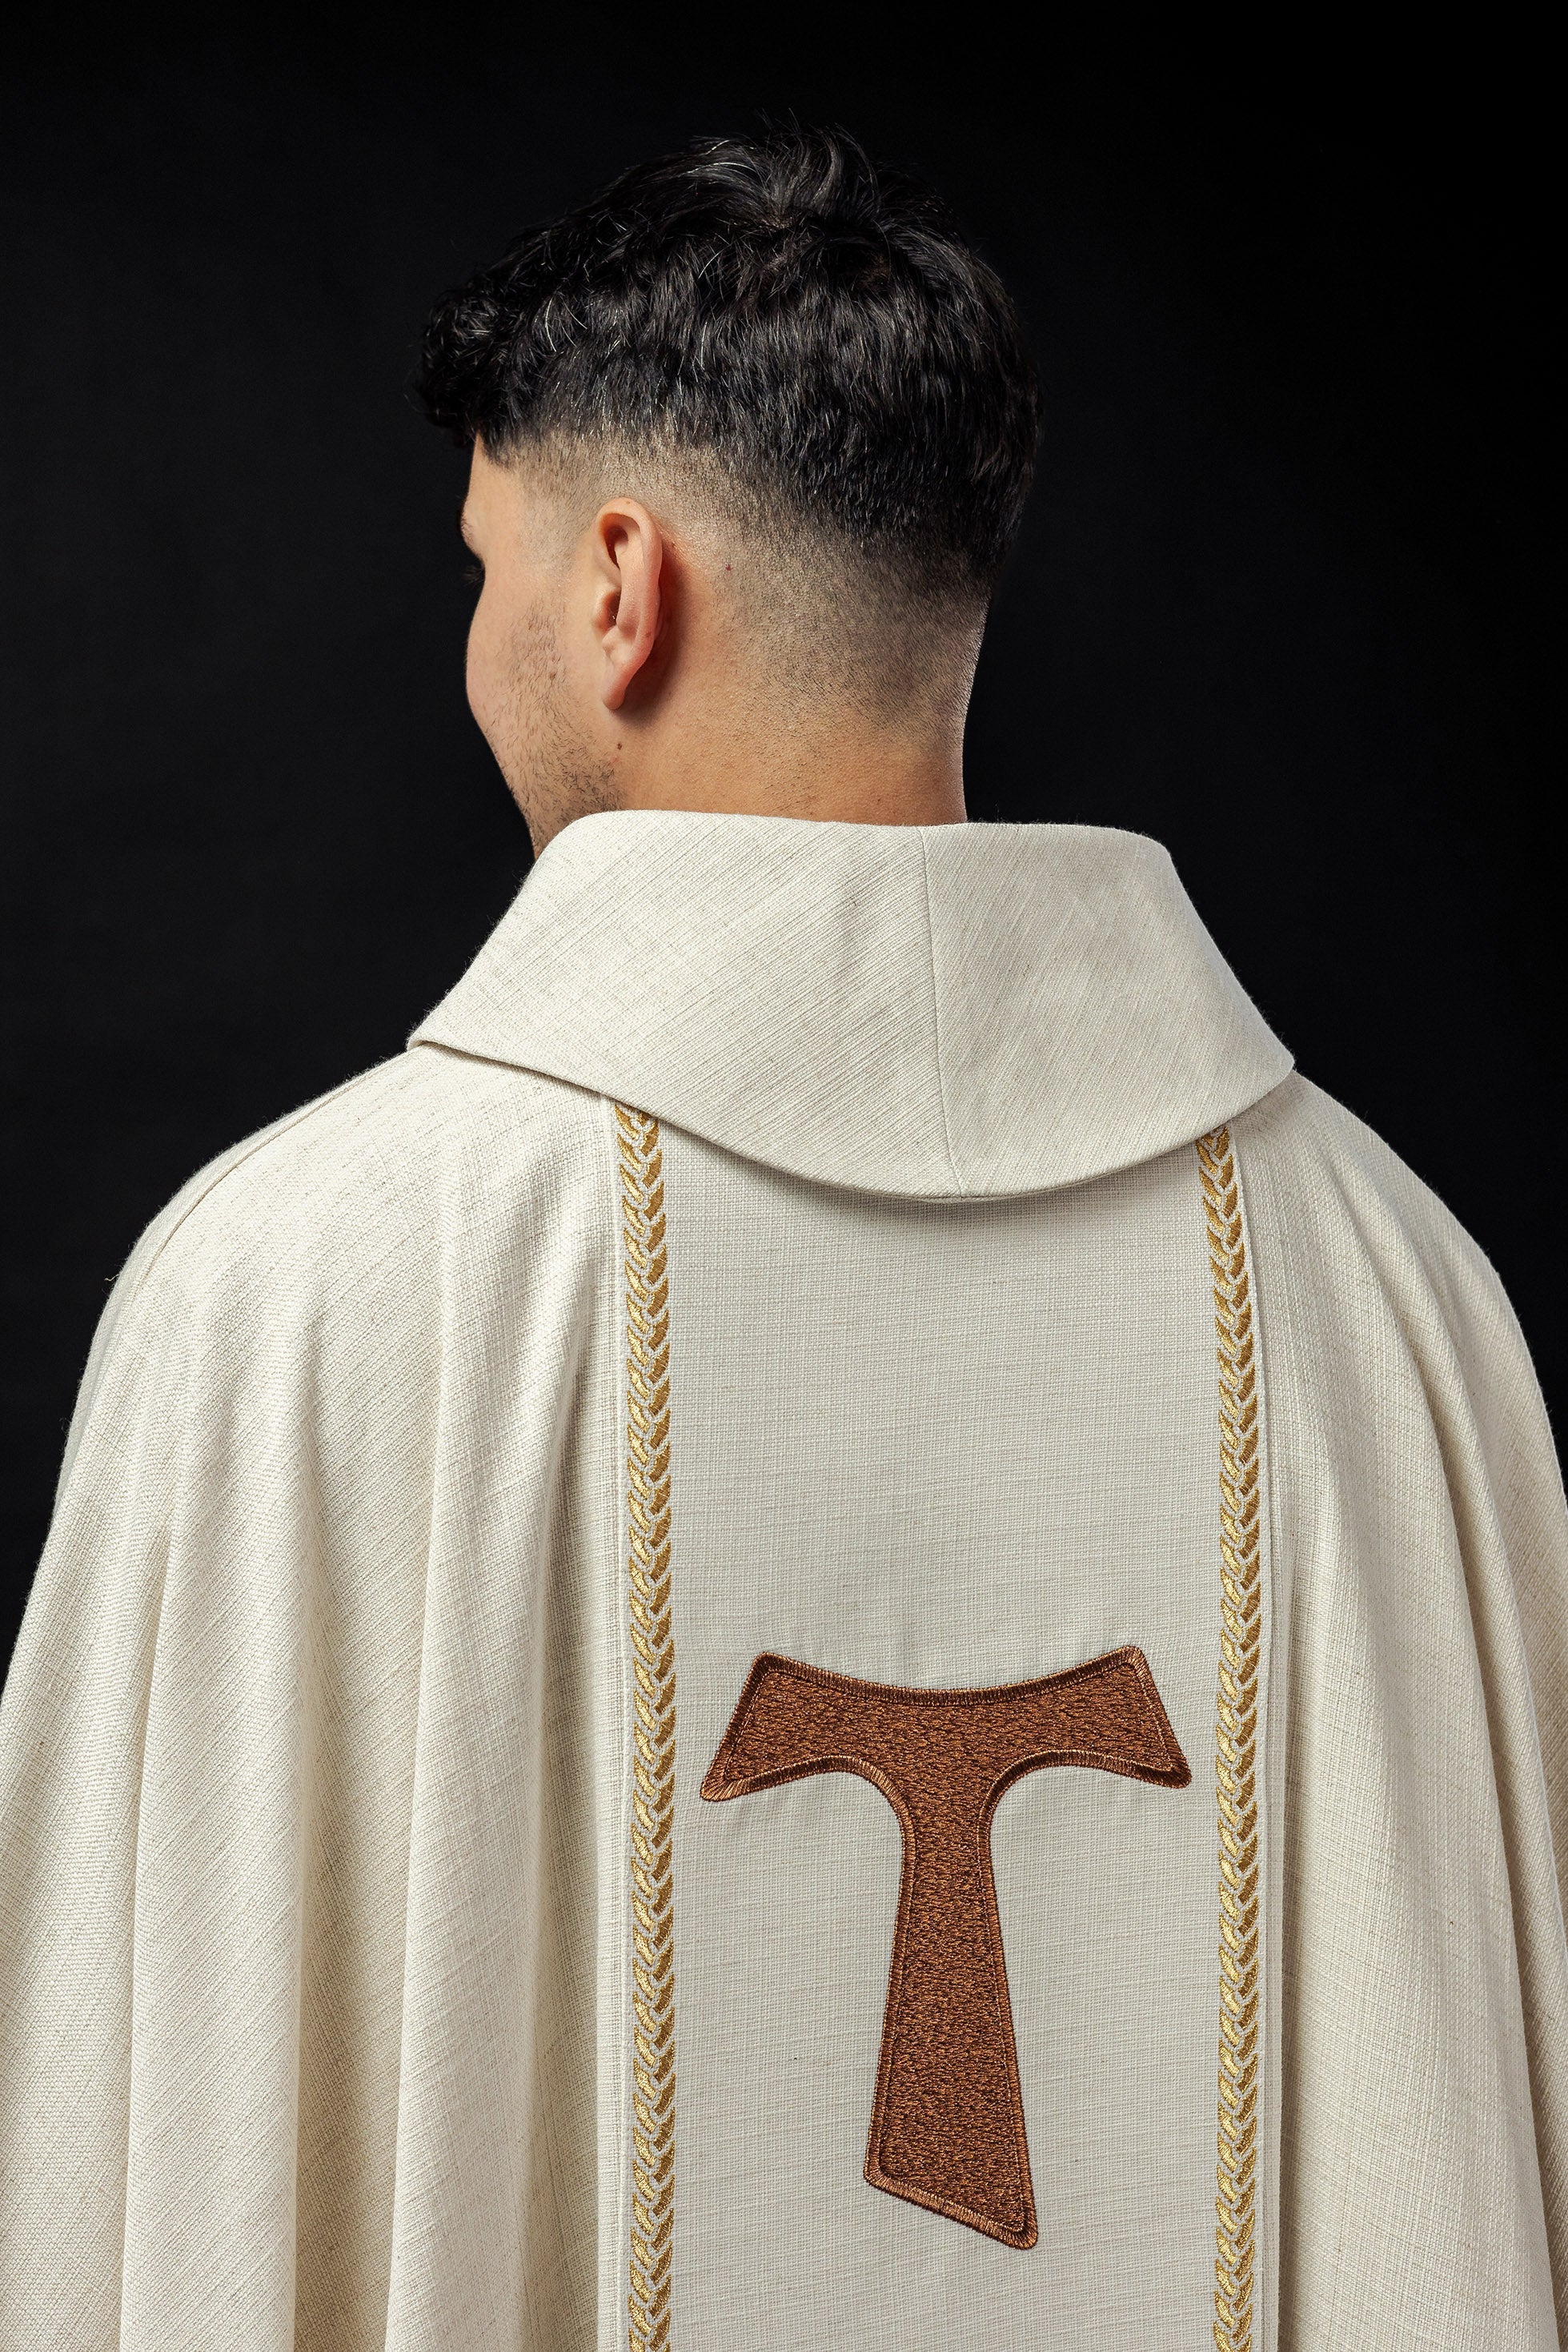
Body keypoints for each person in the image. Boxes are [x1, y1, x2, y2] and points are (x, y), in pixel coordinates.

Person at [0, 126, 1562, 2352]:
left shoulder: (295, 1297)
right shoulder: (1394, 1309)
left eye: (489, 567)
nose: (480, 637)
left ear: (616, 586)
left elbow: (133, 2175)